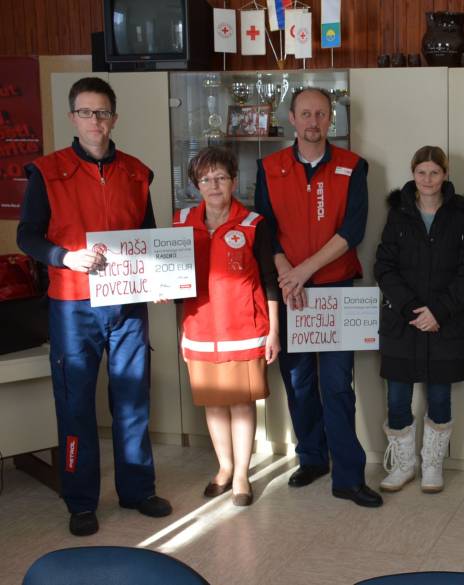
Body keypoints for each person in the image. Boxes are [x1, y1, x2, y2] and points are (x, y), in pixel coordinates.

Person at [16, 77, 172, 536]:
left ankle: (137, 490)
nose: (94, 121)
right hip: (72, 307)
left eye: (102, 112)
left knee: (132, 400)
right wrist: (64, 257)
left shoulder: (137, 173)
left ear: (114, 118)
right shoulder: (47, 172)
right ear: (72, 117)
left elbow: (148, 237)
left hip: (127, 305)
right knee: (75, 406)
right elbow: (27, 236)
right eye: (85, 112)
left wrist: (157, 279)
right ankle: (81, 501)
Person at [254, 87, 381, 507]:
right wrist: (286, 273)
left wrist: (303, 270)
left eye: (321, 114)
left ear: (331, 119)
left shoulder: (353, 166)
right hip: (290, 290)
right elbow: (264, 229)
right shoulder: (269, 167)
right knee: (299, 382)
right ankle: (311, 458)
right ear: (291, 118)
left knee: (337, 384)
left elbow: (352, 231)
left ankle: (348, 476)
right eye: (306, 114)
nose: (314, 121)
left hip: (334, 290)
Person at [173, 147, 281, 507]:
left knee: (241, 403)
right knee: (214, 404)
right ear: (196, 185)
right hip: (200, 330)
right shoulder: (181, 222)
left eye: (220, 177)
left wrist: (274, 332)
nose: (214, 185)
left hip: (244, 329)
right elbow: (174, 280)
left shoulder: (253, 223)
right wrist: (170, 308)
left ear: (234, 181)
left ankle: (241, 476)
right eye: (205, 179)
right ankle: (224, 467)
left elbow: (269, 280)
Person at [374, 146, 464, 494]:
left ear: (445, 175)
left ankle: (433, 465)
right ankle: (404, 465)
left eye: (435, 172)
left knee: (440, 398)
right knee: (396, 399)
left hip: (445, 324)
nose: (428, 179)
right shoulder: (398, 213)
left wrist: (439, 312)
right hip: (402, 325)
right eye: (421, 172)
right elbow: (384, 267)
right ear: (413, 174)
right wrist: (411, 310)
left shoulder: (463, 215)